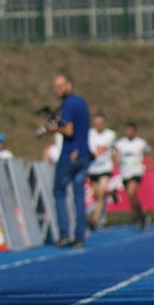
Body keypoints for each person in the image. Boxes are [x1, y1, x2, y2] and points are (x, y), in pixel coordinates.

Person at [46, 73, 91, 248]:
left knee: (59, 193)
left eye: (59, 86)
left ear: (69, 85)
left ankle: (64, 232)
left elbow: (69, 130)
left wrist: (54, 128)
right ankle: (80, 235)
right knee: (79, 197)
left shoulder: (68, 104)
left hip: (69, 155)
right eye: (54, 87)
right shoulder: (81, 102)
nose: (56, 90)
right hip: (84, 153)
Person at [113, 121, 152, 230]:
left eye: (131, 130)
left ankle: (139, 216)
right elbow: (116, 154)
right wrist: (115, 162)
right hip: (125, 172)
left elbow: (148, 153)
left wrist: (148, 164)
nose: (129, 132)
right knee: (131, 197)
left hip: (136, 172)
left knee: (131, 192)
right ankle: (140, 214)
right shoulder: (120, 143)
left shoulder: (140, 142)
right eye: (127, 130)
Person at [86, 113, 116, 230]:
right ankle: (111, 193)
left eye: (101, 122)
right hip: (93, 168)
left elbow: (114, 149)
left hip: (105, 167)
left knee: (102, 192)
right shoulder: (90, 134)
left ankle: (95, 220)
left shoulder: (110, 134)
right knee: (98, 195)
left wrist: (115, 160)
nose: (98, 125)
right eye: (97, 122)